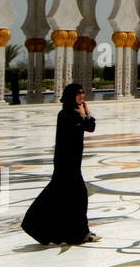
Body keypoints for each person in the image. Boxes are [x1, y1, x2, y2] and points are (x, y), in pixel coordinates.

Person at [21, 83, 99, 245]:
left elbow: (91, 127)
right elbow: (85, 125)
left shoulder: (77, 112)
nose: (81, 96)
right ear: (71, 95)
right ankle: (81, 233)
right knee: (78, 196)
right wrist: (83, 115)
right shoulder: (65, 114)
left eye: (82, 93)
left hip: (73, 161)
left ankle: (39, 228)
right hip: (65, 162)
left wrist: (86, 113)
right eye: (78, 93)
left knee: (60, 196)